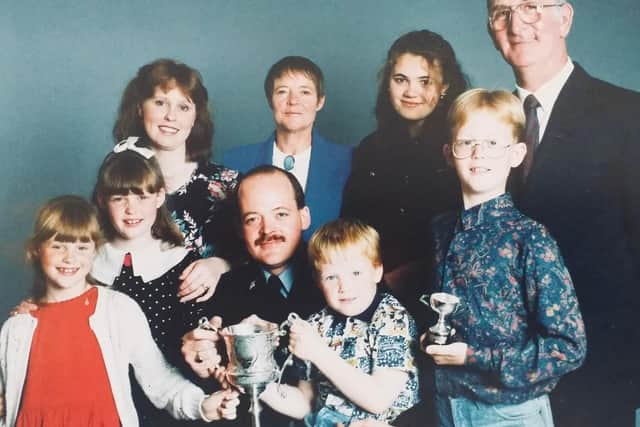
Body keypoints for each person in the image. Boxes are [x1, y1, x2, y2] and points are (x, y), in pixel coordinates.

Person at [486, 2, 640, 425]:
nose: (517, 23)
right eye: (502, 11)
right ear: (490, 27)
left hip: (598, 375)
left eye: (531, 6)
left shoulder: (629, 114)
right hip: (502, 383)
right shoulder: (484, 126)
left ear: (565, 17)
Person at [0, 195, 239, 427]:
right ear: (36, 250)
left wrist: (202, 405)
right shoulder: (17, 327)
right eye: (57, 246)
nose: (69, 257)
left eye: (82, 247)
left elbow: (160, 381)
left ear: (96, 252)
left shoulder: (117, 310)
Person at [422, 89, 586, 426]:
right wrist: (432, 340)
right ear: (449, 153)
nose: (479, 153)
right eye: (466, 142)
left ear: (517, 154)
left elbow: (568, 347)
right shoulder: (441, 228)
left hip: (508, 413)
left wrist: (473, 357)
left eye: (493, 144)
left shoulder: (530, 238)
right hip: (447, 406)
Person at [181, 165, 325, 426]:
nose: (267, 229)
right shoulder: (222, 291)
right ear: (239, 228)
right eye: (252, 219)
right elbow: (207, 373)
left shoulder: (340, 279)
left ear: (304, 217)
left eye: (280, 214)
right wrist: (199, 355)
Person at [91, 140, 214, 426]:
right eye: (119, 198)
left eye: (142, 197)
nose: (131, 209)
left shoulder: (182, 261)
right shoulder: (87, 264)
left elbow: (199, 333)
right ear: (101, 199)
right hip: (107, 403)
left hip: (176, 402)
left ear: (159, 197)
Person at [259, 218, 420, 426]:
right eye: (331, 277)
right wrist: (255, 383)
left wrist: (317, 351)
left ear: (377, 271)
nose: (344, 286)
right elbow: (305, 404)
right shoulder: (316, 324)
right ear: (318, 281)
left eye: (356, 273)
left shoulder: (392, 318)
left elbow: (378, 400)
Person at [341, 30, 467, 288]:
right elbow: (351, 226)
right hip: (369, 288)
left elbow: (467, 235)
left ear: (444, 87)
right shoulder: (369, 149)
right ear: (388, 82)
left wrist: (404, 276)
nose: (411, 91)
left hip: (440, 288)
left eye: (425, 81)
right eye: (401, 79)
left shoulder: (462, 149)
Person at [114, 58, 240, 303]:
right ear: (140, 108)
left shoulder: (227, 183)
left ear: (195, 117)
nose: (171, 116)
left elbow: (256, 257)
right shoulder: (118, 179)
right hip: (131, 319)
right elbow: (91, 248)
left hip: (209, 320)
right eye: (160, 103)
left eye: (184, 107)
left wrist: (218, 265)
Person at [224, 56, 352, 240]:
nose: (293, 101)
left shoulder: (348, 161)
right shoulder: (235, 162)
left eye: (305, 92)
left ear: (320, 101)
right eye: (282, 91)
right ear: (270, 100)